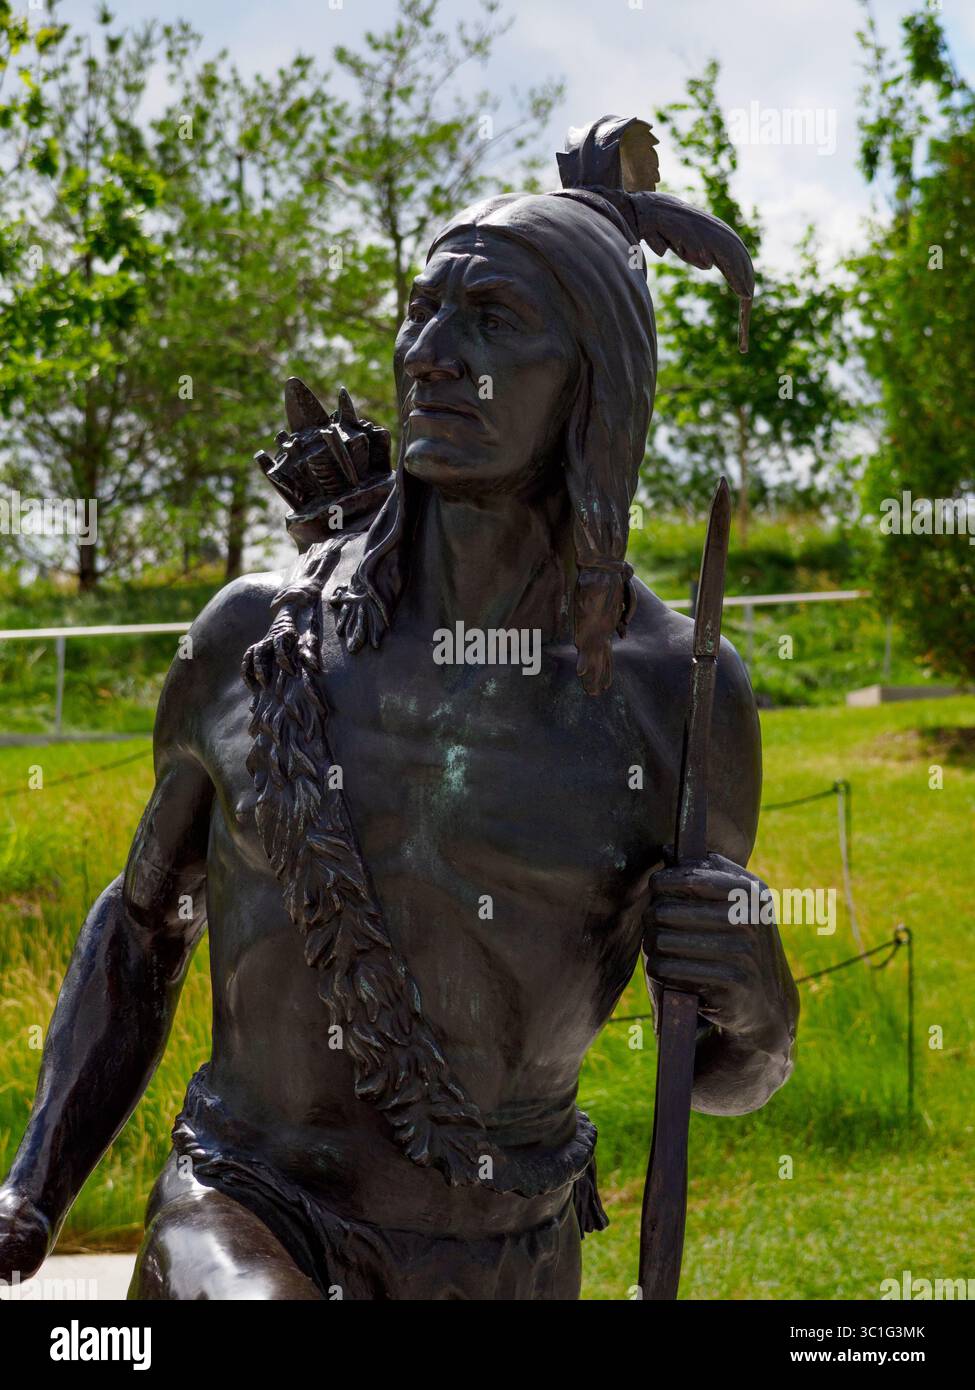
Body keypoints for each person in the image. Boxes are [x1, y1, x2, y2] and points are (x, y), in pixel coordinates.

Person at [0, 117, 797, 1300]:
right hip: (255, 1208)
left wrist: (759, 1004)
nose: (430, 353)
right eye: (422, 312)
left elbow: (719, 1073)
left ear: (594, 382)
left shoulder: (680, 697)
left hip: (514, 1247)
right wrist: (30, 1193)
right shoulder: (254, 641)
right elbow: (142, 926)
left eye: (490, 320)